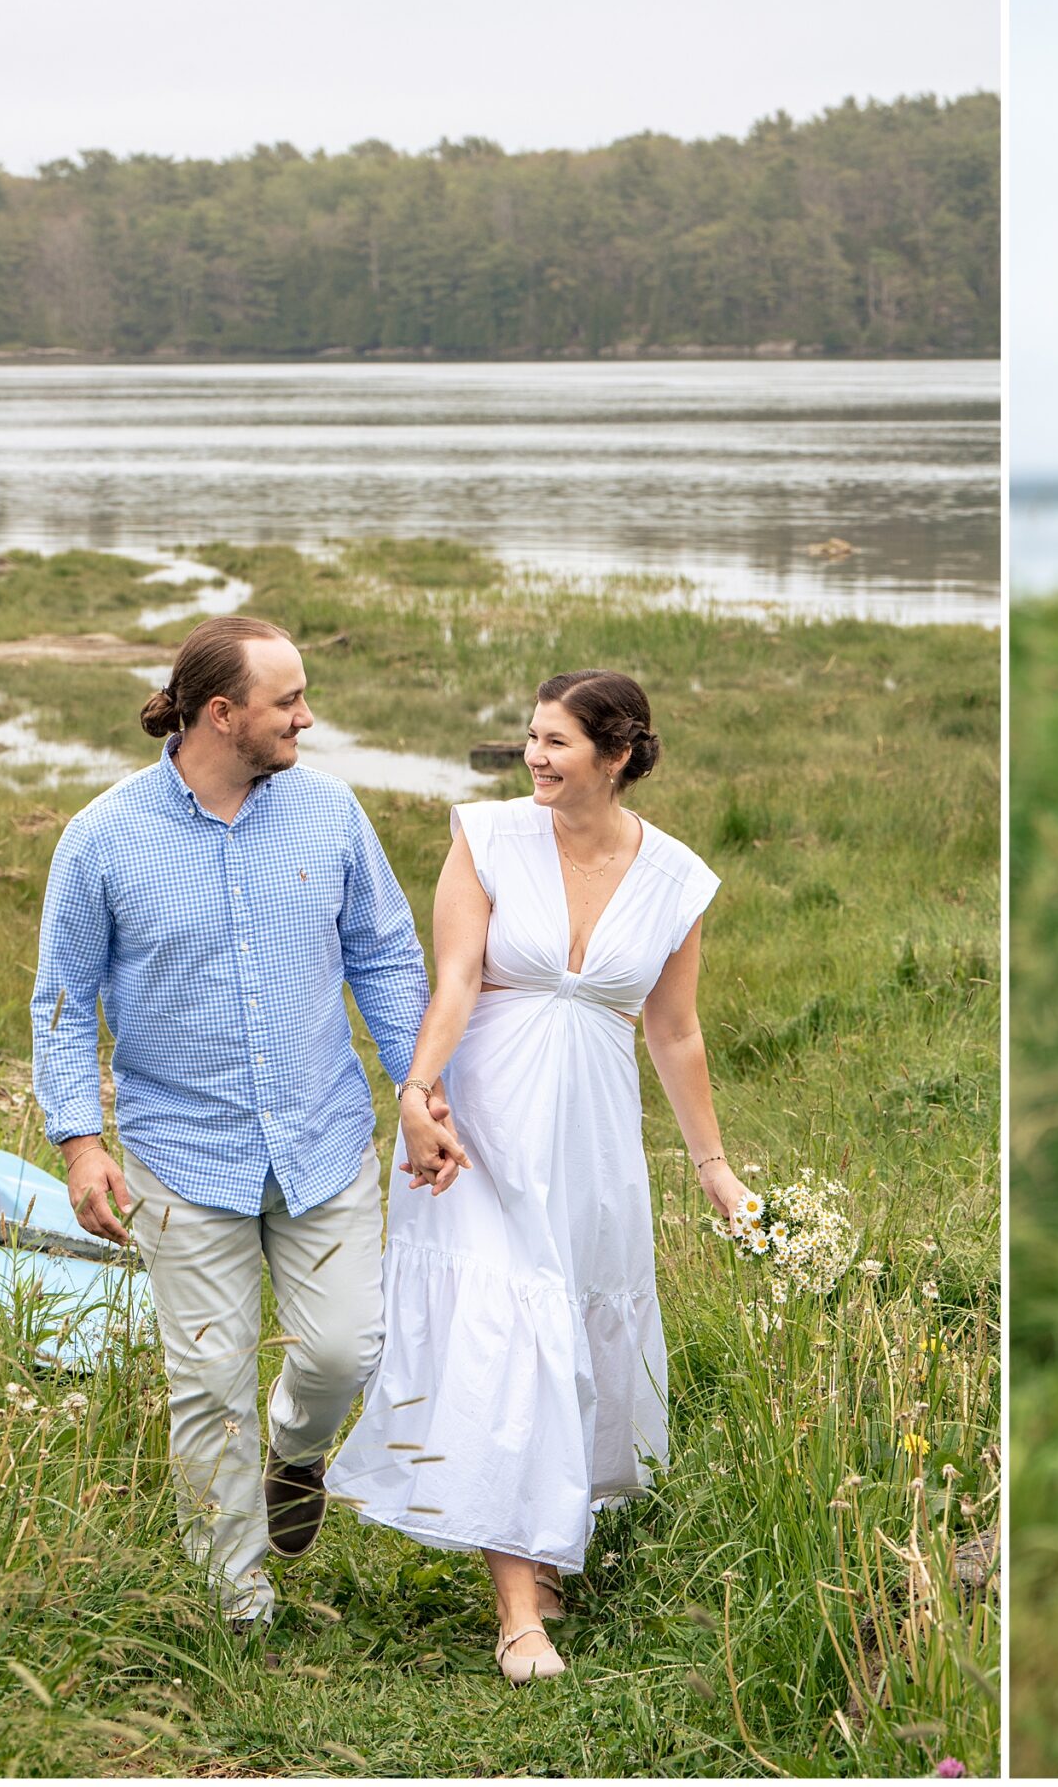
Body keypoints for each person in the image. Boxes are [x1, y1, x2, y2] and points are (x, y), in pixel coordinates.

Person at [327, 669, 752, 1684]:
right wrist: (419, 1094)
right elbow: (458, 980)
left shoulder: (679, 877)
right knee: (503, 1338)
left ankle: (544, 1539)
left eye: (557, 742)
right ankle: (520, 1614)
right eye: (530, 737)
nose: (535, 757)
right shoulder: (486, 837)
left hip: (593, 1132)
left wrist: (715, 1167)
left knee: (575, 1337)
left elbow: (676, 1028)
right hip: (480, 1127)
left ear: (618, 754)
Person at [32, 614, 431, 1629]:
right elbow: (63, 1003)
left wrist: (419, 1091)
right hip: (180, 1152)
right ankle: (238, 1601)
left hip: (323, 1139)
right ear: (222, 713)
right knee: (208, 1382)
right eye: (288, 701)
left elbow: (385, 958)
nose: (308, 716)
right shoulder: (103, 838)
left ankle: (295, 1453)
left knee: (347, 1349)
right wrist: (80, 1142)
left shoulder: (331, 816)